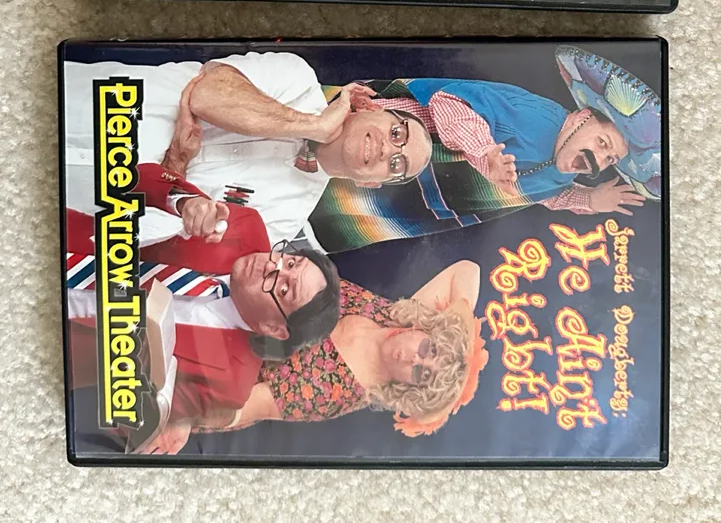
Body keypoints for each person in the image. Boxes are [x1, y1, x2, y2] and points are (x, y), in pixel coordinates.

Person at [66, 163, 341, 454]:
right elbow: (136, 178)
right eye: (290, 262)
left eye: (283, 288)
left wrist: (166, 419)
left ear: (274, 328)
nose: (271, 265)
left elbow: (125, 423)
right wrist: (184, 201)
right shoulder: (245, 227)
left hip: (58, 338)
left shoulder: (229, 383)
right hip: (63, 240)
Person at [62, 50, 435, 248]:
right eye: (397, 133)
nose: (388, 150)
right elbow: (208, 95)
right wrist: (315, 127)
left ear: (369, 183)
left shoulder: (283, 221)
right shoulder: (296, 77)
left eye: (396, 165)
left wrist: (176, 167)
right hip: (83, 105)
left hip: (79, 198)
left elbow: (170, 243)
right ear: (369, 106)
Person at [309, 45, 662, 252]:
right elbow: (447, 102)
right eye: (602, 144)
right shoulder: (532, 116)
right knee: (314, 149)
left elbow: (542, 193)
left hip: (402, 198)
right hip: (380, 144)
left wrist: (589, 200)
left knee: (320, 214)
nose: (599, 161)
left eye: (610, 158)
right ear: (582, 118)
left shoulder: (565, 168)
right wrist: (484, 152)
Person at [157, 258, 487, 452]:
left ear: (408, 388)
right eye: (429, 349)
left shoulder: (336, 391)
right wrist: (457, 333)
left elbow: (239, 410)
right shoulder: (392, 316)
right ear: (425, 330)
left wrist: (182, 417)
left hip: (197, 362)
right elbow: (467, 270)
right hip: (230, 295)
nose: (415, 359)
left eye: (422, 374)